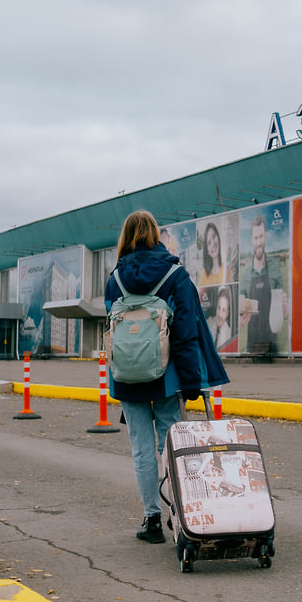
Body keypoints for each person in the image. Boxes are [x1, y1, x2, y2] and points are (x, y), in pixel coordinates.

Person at [106, 210, 229, 544]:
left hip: (126, 377)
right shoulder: (176, 275)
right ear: (156, 235)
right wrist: (191, 382)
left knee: (142, 450)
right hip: (167, 376)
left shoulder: (114, 279)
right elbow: (186, 334)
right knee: (172, 446)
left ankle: (151, 519)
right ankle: (182, 513)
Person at [239, 215, 286, 354]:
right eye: (255, 238)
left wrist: (284, 306)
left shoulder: (275, 267)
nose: (259, 242)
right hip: (252, 341)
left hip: (272, 339)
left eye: (261, 237)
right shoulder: (246, 273)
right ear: (252, 240)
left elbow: (283, 306)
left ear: (265, 236)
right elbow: (241, 307)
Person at [198, 222, 225, 286]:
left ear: (218, 237)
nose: (213, 244)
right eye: (209, 243)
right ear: (207, 251)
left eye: (214, 236)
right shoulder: (204, 274)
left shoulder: (226, 269)